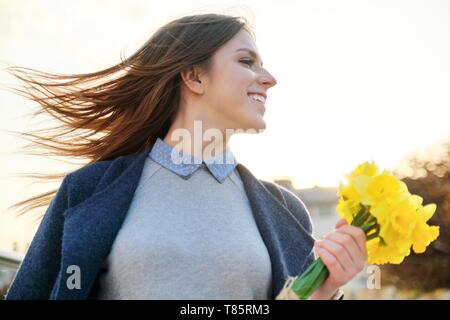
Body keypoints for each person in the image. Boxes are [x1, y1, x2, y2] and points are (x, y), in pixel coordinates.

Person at [4, 13, 366, 300]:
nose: (269, 78)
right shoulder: (88, 190)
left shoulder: (285, 209)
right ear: (194, 76)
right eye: (246, 61)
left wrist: (324, 289)